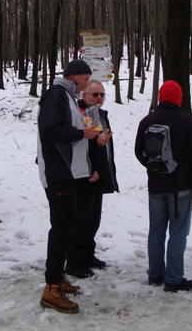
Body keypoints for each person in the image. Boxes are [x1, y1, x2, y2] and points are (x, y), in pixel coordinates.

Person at [134, 80, 192, 293]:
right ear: (179, 99)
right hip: (180, 188)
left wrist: (154, 168)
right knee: (178, 233)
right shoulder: (189, 122)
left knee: (156, 232)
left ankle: (155, 274)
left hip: (155, 187)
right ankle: (174, 280)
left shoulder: (147, 121)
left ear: (160, 97)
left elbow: (139, 152)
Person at [37, 59, 100, 314]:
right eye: (85, 79)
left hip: (70, 174)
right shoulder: (57, 95)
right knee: (61, 229)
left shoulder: (68, 97)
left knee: (68, 227)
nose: (86, 83)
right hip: (59, 174)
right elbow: (50, 129)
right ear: (74, 77)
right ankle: (51, 288)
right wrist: (80, 134)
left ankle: (58, 277)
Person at [66, 80, 119, 278]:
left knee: (93, 219)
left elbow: (98, 142)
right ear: (84, 95)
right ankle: (75, 262)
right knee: (82, 220)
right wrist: (91, 169)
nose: (99, 98)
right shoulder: (83, 113)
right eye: (95, 94)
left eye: (102, 94)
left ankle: (88, 255)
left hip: (98, 174)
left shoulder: (98, 113)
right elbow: (87, 144)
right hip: (86, 175)